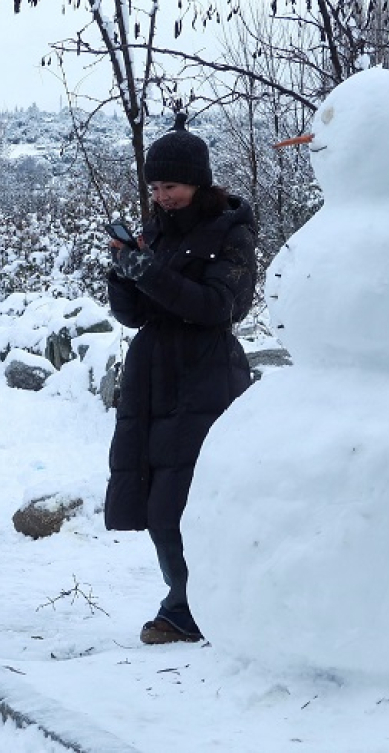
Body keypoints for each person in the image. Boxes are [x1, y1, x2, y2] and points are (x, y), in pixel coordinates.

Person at [103, 113, 258, 645]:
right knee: (152, 498)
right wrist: (123, 273)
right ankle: (187, 602)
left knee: (186, 498)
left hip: (206, 375)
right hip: (154, 376)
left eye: (169, 186)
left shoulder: (232, 232)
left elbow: (220, 305)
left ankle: (189, 608)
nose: (161, 196)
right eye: (155, 187)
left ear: (197, 182)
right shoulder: (155, 231)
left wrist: (153, 274)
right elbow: (135, 314)